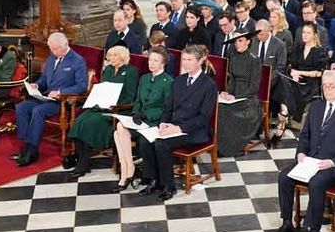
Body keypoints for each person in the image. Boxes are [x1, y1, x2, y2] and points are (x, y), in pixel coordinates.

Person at [269, 70, 335, 232]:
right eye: (325, 86)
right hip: (312, 160)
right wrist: (301, 154)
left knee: (317, 182)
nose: (328, 89)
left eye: (332, 86)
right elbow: (305, 136)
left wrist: (333, 162)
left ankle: (314, 231)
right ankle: (287, 222)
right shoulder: (316, 107)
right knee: (284, 176)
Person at [136, 44, 218, 201]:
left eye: (189, 59)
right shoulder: (178, 81)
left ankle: (168, 186)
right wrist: (163, 123)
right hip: (173, 126)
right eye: (183, 59)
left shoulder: (209, 85)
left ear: (200, 61)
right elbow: (168, 108)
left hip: (195, 131)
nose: (185, 63)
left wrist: (178, 128)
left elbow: (203, 118)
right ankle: (153, 180)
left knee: (161, 144)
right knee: (145, 140)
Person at [13, 33, 88, 167]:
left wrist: (60, 92)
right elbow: (45, 78)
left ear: (65, 45)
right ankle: (26, 146)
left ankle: (32, 150)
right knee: (22, 107)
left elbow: (81, 86)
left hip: (63, 102)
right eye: (51, 49)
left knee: (38, 111)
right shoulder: (52, 58)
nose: (53, 52)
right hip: (46, 97)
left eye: (56, 49)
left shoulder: (77, 60)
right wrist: (37, 84)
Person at [67, 45, 140, 179]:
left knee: (92, 123)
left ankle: (83, 164)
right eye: (110, 56)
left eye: (114, 55)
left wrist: (114, 104)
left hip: (118, 109)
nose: (111, 58)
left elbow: (130, 96)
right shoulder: (108, 70)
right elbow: (102, 89)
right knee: (80, 120)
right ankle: (82, 160)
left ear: (122, 57)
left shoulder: (131, 71)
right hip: (101, 106)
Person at [111, 47, 173, 192]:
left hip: (153, 122)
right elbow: (138, 100)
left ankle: (127, 173)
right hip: (140, 119)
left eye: (155, 60)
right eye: (150, 59)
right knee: (119, 128)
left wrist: (146, 115)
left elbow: (165, 108)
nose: (151, 63)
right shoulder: (144, 78)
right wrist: (135, 113)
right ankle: (128, 168)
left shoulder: (168, 81)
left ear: (163, 63)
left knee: (118, 132)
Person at [217, 29, 264, 157]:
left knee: (231, 112)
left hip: (248, 99)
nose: (237, 44)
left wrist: (237, 97)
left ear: (248, 42)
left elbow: (254, 86)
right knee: (220, 108)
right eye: (235, 41)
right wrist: (226, 93)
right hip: (234, 93)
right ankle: (220, 145)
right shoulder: (232, 57)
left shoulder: (254, 60)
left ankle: (231, 147)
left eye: (240, 41)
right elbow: (231, 79)